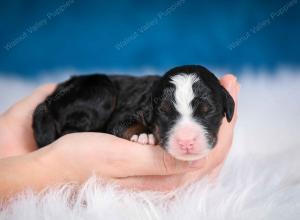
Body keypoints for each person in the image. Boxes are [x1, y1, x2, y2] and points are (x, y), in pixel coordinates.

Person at [0, 74, 239, 201]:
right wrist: (52, 167)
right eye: (169, 115)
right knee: (102, 96)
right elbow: (121, 124)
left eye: (206, 113)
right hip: (87, 89)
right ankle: (71, 131)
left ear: (225, 109)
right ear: (152, 111)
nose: (187, 137)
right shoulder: (147, 105)